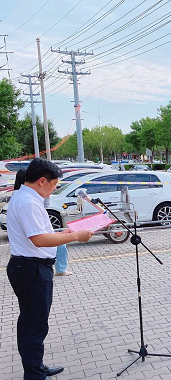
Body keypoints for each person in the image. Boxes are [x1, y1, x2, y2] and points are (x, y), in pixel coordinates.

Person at [6, 158, 93, 380]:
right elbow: (38, 239)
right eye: (54, 185)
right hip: (31, 268)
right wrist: (75, 236)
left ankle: (35, 366)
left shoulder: (26, 197)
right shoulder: (28, 202)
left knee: (29, 322)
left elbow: (41, 233)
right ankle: (34, 374)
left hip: (29, 267)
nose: (55, 189)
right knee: (35, 325)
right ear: (42, 181)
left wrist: (66, 232)